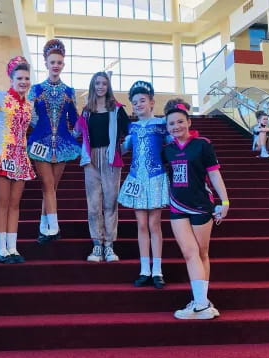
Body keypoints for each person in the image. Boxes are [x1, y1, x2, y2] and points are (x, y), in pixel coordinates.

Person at [162, 99, 229, 320]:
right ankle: (201, 304)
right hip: (177, 206)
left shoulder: (202, 144)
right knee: (190, 253)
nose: (176, 127)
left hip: (201, 205)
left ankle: (201, 301)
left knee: (201, 253)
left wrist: (225, 201)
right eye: (171, 124)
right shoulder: (167, 150)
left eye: (180, 122)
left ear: (189, 122)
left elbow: (214, 174)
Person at [0, 56, 36, 264]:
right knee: (2, 202)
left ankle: (12, 247)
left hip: (20, 157)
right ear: (11, 80)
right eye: (19, 78)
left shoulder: (29, 106)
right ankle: (0, 248)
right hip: (1, 155)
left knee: (14, 204)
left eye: (26, 78)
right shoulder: (0, 97)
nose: (23, 82)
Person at [28, 39, 80, 243]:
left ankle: (44, 227)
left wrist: (79, 130)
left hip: (63, 144)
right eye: (52, 62)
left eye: (59, 62)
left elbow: (74, 118)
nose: (56, 65)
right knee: (48, 185)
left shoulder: (69, 91)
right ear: (46, 64)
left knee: (51, 188)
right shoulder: (36, 89)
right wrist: (39, 128)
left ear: (63, 64)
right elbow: (28, 115)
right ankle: (55, 228)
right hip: (40, 143)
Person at [118, 81, 169, 289]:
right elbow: (123, 150)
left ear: (151, 103)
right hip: (136, 179)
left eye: (142, 101)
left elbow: (173, 144)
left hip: (156, 177)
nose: (138, 104)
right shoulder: (132, 127)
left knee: (154, 224)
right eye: (135, 102)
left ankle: (157, 270)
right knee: (141, 225)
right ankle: (144, 269)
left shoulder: (162, 124)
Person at [74, 72, 129, 262]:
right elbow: (75, 134)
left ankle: (109, 245)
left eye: (104, 83)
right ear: (92, 86)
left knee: (110, 202)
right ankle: (97, 244)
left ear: (108, 86)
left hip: (111, 158)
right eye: (97, 83)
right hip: (91, 160)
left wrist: (120, 149)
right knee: (93, 204)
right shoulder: (86, 110)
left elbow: (130, 133)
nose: (100, 86)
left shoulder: (117, 109)